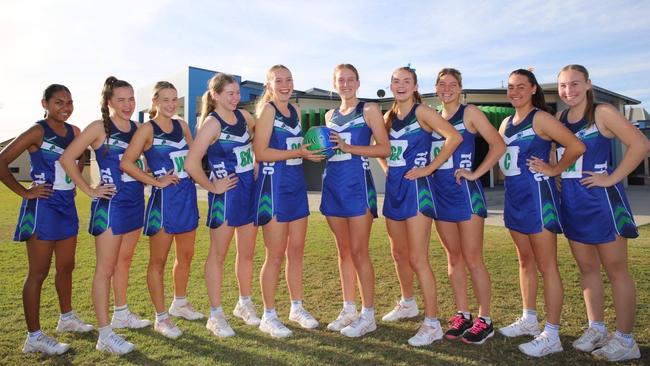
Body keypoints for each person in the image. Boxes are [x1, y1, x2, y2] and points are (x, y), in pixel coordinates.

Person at [553, 64, 649, 362]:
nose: (569, 91)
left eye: (575, 84)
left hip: (602, 203)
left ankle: (625, 339)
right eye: (563, 86)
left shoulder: (603, 112)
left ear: (588, 84)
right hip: (572, 202)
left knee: (616, 270)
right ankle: (596, 328)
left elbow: (640, 144)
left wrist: (612, 177)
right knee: (587, 269)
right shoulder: (560, 118)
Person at [497, 69, 585, 357]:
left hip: (538, 199)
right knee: (525, 261)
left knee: (547, 266)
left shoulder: (541, 118)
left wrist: (554, 170)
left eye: (521, 86)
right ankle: (529, 319)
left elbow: (576, 146)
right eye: (511, 87)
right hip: (515, 199)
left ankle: (553, 333)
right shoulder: (507, 123)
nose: (515, 91)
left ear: (533, 89)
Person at [0, 84, 92, 355]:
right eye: (59, 103)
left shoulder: (75, 132)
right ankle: (34, 337)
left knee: (66, 266)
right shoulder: (37, 131)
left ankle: (67, 318)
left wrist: (74, 175)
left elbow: (82, 156)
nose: (65, 108)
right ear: (45, 104)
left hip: (67, 206)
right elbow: (2, 160)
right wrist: (25, 191)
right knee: (38, 273)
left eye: (69, 103)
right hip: (43, 206)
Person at [60, 76, 150, 355]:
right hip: (110, 205)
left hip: (135, 202)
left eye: (131, 98)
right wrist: (89, 189)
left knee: (124, 262)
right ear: (109, 102)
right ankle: (104, 334)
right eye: (121, 99)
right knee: (105, 269)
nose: (127, 104)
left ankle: (121, 312)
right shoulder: (100, 128)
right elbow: (67, 158)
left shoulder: (139, 128)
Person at [380, 66, 462, 346]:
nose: (400, 85)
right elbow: (379, 147)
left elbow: (454, 137)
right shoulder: (387, 117)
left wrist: (429, 168)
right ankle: (407, 303)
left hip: (417, 190)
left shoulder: (423, 112)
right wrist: (387, 168)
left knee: (418, 258)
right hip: (394, 190)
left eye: (407, 81)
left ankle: (432, 323)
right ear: (390, 85)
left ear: (414, 85)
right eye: (396, 81)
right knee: (399, 254)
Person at [120, 81, 202, 339]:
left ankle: (179, 303)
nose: (170, 104)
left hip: (187, 196)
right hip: (164, 202)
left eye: (174, 99)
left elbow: (193, 158)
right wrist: (155, 181)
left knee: (186, 255)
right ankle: (161, 317)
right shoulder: (147, 129)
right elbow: (126, 162)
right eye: (165, 99)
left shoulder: (182, 125)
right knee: (158, 261)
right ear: (155, 101)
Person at [431, 68, 505, 344]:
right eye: (442, 84)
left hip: (465, 194)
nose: (447, 88)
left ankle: (485, 320)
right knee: (453, 257)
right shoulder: (433, 116)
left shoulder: (470, 113)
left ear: (460, 88)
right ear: (436, 88)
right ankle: (462, 313)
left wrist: (477, 173)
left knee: (473, 258)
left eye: (452, 84)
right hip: (440, 195)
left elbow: (498, 145)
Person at [186, 73, 259, 338]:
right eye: (229, 93)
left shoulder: (245, 118)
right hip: (226, 197)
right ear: (215, 95)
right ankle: (215, 314)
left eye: (237, 92)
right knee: (218, 255)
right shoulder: (211, 124)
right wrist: (212, 186)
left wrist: (256, 160)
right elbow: (191, 163)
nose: (235, 97)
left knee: (247, 253)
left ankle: (244, 303)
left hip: (248, 193)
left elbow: (257, 140)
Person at [253, 64, 324, 338]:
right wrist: (299, 152)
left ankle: (296, 307)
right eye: (278, 80)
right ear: (268, 85)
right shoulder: (268, 109)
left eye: (289, 80)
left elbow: (296, 149)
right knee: (274, 255)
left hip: (295, 184)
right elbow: (260, 151)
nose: (285, 85)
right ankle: (268, 316)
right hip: (274, 187)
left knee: (296, 251)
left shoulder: (294, 110)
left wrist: (307, 153)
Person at [320, 64, 390, 337]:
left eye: (350, 80)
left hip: (358, 186)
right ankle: (349, 308)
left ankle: (368, 314)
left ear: (358, 82)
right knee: (344, 251)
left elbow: (384, 148)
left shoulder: (370, 109)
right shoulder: (329, 115)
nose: (346, 84)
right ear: (334, 83)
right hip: (332, 185)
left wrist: (350, 148)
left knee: (360, 252)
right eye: (341, 80)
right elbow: (329, 149)